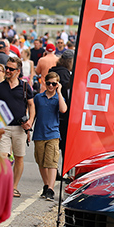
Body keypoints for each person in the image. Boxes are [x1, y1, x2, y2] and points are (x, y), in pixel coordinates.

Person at [0, 56, 35, 198]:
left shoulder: (24, 86)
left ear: (18, 71)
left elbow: (31, 105)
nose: (8, 71)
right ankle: (3, 184)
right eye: (7, 68)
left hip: (19, 128)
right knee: (2, 157)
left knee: (19, 157)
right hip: (3, 128)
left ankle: (14, 187)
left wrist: (30, 121)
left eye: (11, 69)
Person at [32, 72, 67, 201]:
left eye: (54, 84)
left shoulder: (58, 98)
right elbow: (33, 113)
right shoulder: (38, 98)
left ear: (57, 85)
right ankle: (46, 185)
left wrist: (59, 92)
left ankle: (51, 189)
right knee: (41, 162)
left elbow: (63, 110)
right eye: (48, 83)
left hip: (53, 134)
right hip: (39, 133)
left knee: (52, 162)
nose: (51, 86)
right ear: (44, 82)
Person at [48, 50, 73, 159]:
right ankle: (59, 170)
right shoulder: (65, 74)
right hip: (62, 112)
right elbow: (67, 93)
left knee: (54, 143)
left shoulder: (54, 70)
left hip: (52, 109)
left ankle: (53, 169)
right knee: (62, 144)